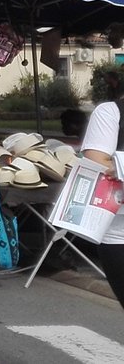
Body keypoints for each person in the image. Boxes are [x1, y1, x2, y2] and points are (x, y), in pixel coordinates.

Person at [78, 96, 124, 309]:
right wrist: (113, 166)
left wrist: (119, 166)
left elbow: (113, 166)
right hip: (119, 234)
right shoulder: (111, 112)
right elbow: (97, 161)